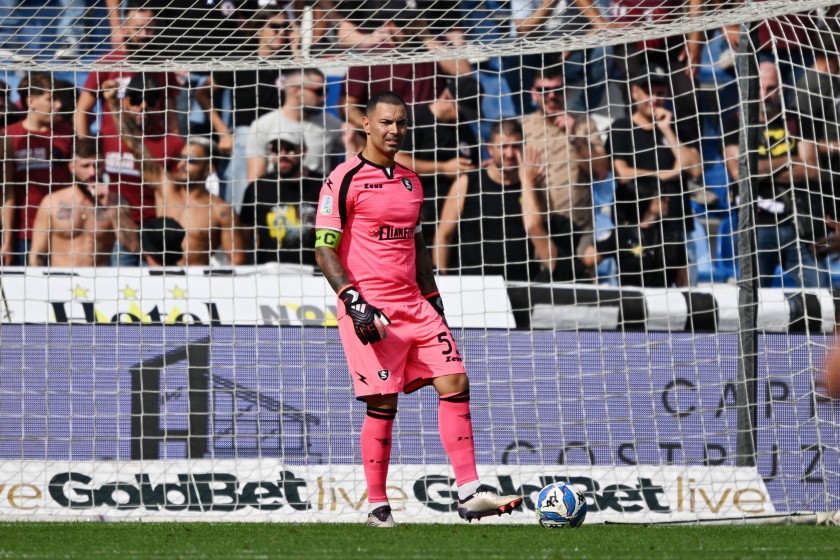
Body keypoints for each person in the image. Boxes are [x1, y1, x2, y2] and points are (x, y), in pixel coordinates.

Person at [314, 90, 522, 527]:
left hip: (416, 304)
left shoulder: (412, 180)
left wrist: (434, 300)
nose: (394, 131)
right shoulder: (343, 178)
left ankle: (469, 490)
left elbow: (419, 244)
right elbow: (324, 250)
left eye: (401, 123)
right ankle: (377, 506)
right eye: (386, 122)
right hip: (371, 310)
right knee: (383, 405)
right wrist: (353, 302)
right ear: (366, 125)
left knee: (455, 379)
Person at [104, 81, 246, 267]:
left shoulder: (221, 210)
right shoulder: (166, 190)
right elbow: (136, 146)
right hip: (158, 281)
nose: (181, 164)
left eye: (191, 160)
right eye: (181, 158)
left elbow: (237, 260)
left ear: (208, 168)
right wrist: (114, 104)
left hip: (196, 287)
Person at [724, 60, 826, 289]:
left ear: (782, 89)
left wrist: (758, 168)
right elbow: (739, 174)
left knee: (823, 297)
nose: (764, 95)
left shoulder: (798, 120)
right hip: (755, 226)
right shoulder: (734, 123)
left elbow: (811, 169)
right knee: (752, 300)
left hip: (797, 224)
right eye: (758, 87)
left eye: (770, 88)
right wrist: (791, 161)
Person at [605, 63, 702, 288]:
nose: (654, 98)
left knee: (688, 301)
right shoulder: (621, 128)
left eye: (660, 93)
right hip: (633, 233)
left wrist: (667, 130)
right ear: (634, 92)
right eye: (649, 92)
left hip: (676, 228)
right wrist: (668, 173)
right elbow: (624, 175)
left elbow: (695, 169)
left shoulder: (677, 127)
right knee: (627, 302)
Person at [432, 119, 557, 281]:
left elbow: (542, 226)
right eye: (503, 147)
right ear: (490, 149)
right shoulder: (467, 183)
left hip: (522, 284)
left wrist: (532, 185)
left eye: (516, 146)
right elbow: (444, 235)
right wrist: (440, 280)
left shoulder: (531, 186)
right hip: (474, 285)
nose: (510, 153)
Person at [522, 63, 610, 281]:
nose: (552, 96)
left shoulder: (583, 123)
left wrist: (574, 138)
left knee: (584, 294)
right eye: (544, 90)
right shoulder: (523, 127)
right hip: (542, 228)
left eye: (557, 90)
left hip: (579, 229)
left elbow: (601, 171)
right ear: (534, 93)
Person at [195, 9, 289, 213]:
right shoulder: (242, 60)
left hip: (279, 140)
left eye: (286, 27)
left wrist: (297, 49)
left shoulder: (290, 64)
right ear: (258, 31)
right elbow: (202, 93)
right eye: (275, 27)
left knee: (274, 204)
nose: (281, 32)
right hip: (246, 138)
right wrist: (223, 132)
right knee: (240, 205)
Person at [394, 75, 480, 245]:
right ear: (447, 97)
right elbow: (397, 161)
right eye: (460, 111)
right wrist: (443, 168)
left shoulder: (465, 129)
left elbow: (473, 164)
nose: (459, 118)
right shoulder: (415, 119)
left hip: (456, 219)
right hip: (419, 217)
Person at [28, 137, 139, 267]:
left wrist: (112, 208)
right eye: (85, 166)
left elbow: (132, 246)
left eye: (97, 165)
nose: (92, 172)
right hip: (62, 281)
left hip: (100, 281)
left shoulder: (115, 201)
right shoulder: (52, 202)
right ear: (72, 167)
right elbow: (37, 254)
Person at [1, 73, 75, 266]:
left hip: (62, 232)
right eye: (51, 99)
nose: (58, 105)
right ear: (31, 101)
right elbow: (7, 193)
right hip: (24, 233)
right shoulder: (8, 137)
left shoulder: (68, 134)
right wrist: (7, 240)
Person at [75, 4, 180, 138]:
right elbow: (82, 110)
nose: (144, 35)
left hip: (153, 145)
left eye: (149, 29)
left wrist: (173, 146)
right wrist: (86, 147)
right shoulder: (108, 62)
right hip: (112, 147)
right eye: (138, 29)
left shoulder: (163, 66)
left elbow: (171, 116)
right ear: (124, 29)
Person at [246, 68, 343, 192]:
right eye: (319, 91)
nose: (324, 98)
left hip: (319, 199)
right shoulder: (263, 125)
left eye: (326, 91)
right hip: (277, 200)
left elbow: (360, 151)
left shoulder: (331, 123)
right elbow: (255, 181)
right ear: (296, 91)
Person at [240, 133, 322, 266]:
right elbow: (244, 236)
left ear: (303, 150)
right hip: (269, 273)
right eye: (275, 150)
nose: (282, 155)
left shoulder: (323, 184)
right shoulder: (257, 188)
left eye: (289, 149)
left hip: (315, 272)